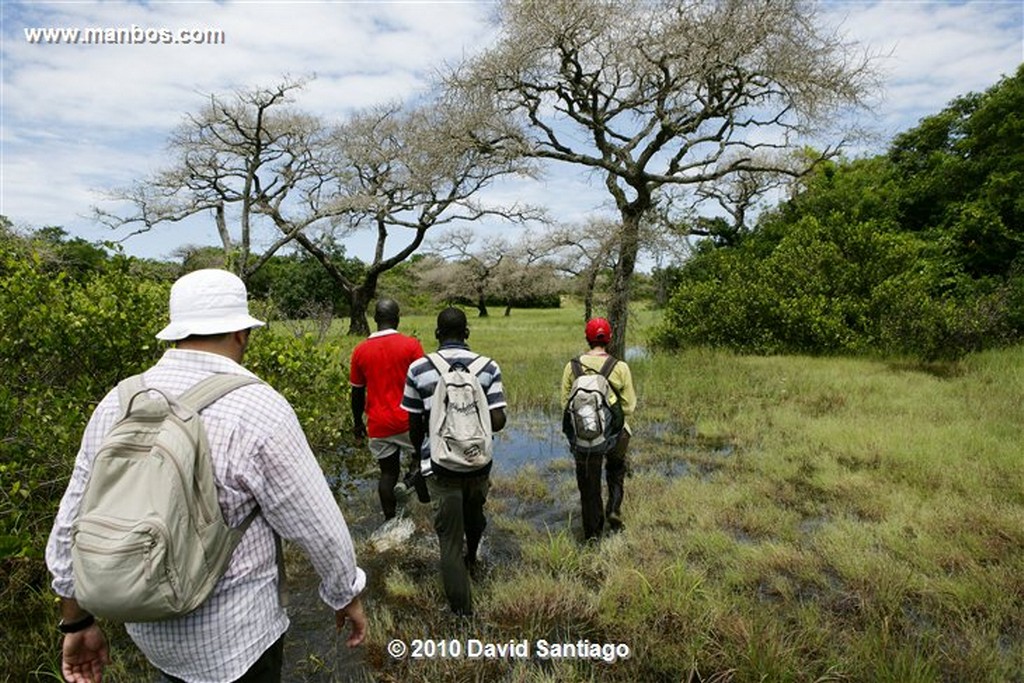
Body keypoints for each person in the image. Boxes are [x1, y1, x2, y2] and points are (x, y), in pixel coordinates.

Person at [45, 268, 367, 683]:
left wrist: (75, 622)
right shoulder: (258, 406)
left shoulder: (119, 400)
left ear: (176, 331)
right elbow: (317, 526)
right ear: (241, 333)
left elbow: (72, 520)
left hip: (150, 631)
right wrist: (345, 594)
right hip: (237, 642)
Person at [401, 307, 506, 616]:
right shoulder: (488, 366)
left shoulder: (419, 368)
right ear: (467, 333)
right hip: (477, 463)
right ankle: (473, 556)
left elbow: (415, 425)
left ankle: (461, 614)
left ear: (436, 334)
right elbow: (498, 420)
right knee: (475, 515)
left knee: (448, 540)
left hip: (439, 466)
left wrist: (417, 460)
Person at [561, 317, 637, 541]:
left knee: (589, 486)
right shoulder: (620, 367)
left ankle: (592, 534)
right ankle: (613, 509)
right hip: (616, 433)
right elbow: (629, 406)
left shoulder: (572, 366)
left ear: (587, 338)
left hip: (584, 436)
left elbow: (565, 404)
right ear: (609, 339)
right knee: (615, 469)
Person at [349, 298, 425, 520]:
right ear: (398, 318)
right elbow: (424, 384)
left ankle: (391, 521)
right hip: (408, 421)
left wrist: (357, 423)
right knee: (420, 458)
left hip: (378, 424)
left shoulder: (360, 350)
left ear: (375, 319)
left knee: (387, 473)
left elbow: (357, 393)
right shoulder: (412, 345)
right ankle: (410, 481)